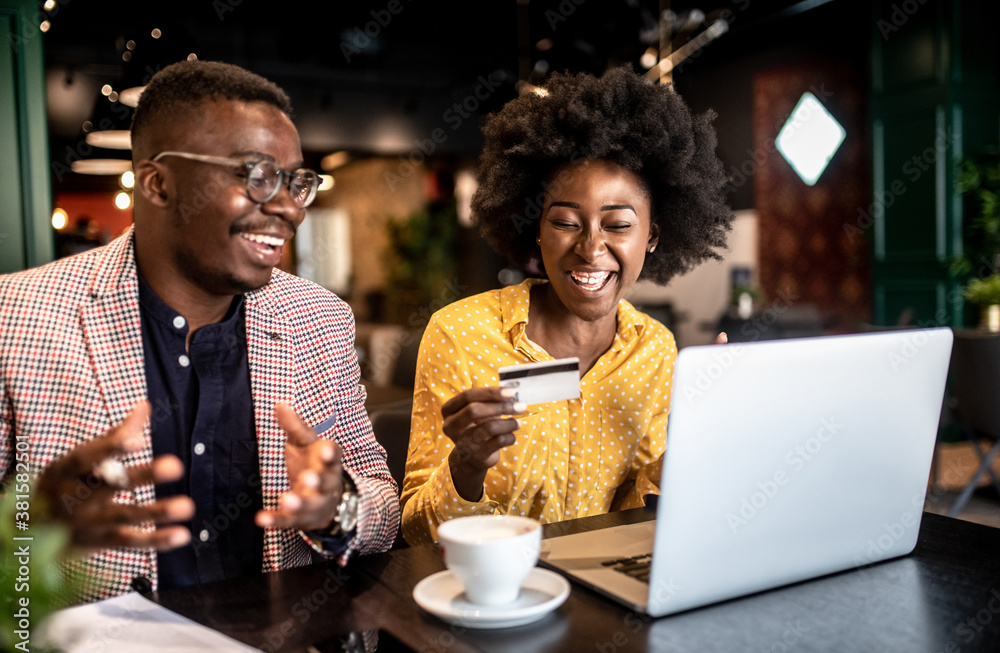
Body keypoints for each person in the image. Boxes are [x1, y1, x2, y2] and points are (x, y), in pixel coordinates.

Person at [0, 60, 399, 601]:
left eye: (295, 182)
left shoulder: (318, 318)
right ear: (159, 183)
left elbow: (383, 505)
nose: (289, 210)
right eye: (257, 176)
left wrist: (337, 508)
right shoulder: (17, 316)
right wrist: (31, 532)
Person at [401, 66, 733, 545]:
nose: (591, 248)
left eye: (618, 225)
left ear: (652, 236)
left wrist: (698, 433)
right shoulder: (460, 334)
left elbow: (645, 516)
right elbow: (414, 534)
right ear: (536, 228)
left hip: (606, 598)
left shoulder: (654, 350)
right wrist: (465, 466)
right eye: (565, 222)